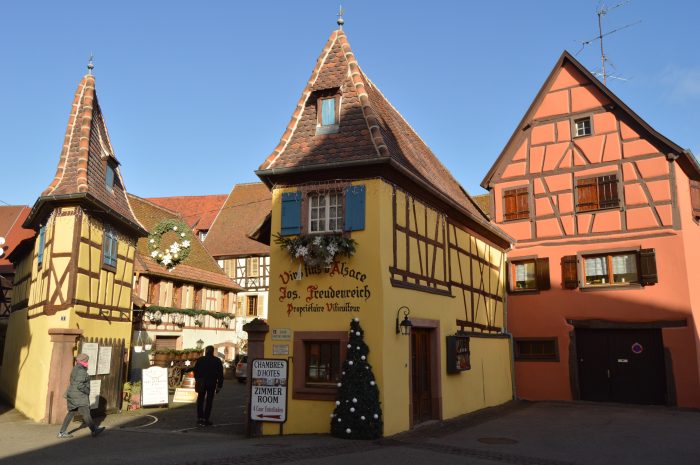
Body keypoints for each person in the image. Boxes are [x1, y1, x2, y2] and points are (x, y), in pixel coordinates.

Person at [57, 353, 105, 438]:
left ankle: (62, 432)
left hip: (72, 394)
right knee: (86, 413)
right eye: (87, 361)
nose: (88, 362)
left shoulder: (75, 368)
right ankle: (94, 430)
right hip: (79, 396)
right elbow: (79, 385)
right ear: (84, 361)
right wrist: (87, 391)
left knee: (71, 413)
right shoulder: (81, 371)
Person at [193, 345, 224, 426]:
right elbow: (220, 374)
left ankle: (200, 418)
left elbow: (195, 371)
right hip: (212, 383)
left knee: (200, 400)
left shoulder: (200, 359)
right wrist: (219, 386)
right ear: (213, 351)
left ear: (206, 351)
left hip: (201, 382)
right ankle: (206, 419)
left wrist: (197, 379)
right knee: (209, 401)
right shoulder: (217, 360)